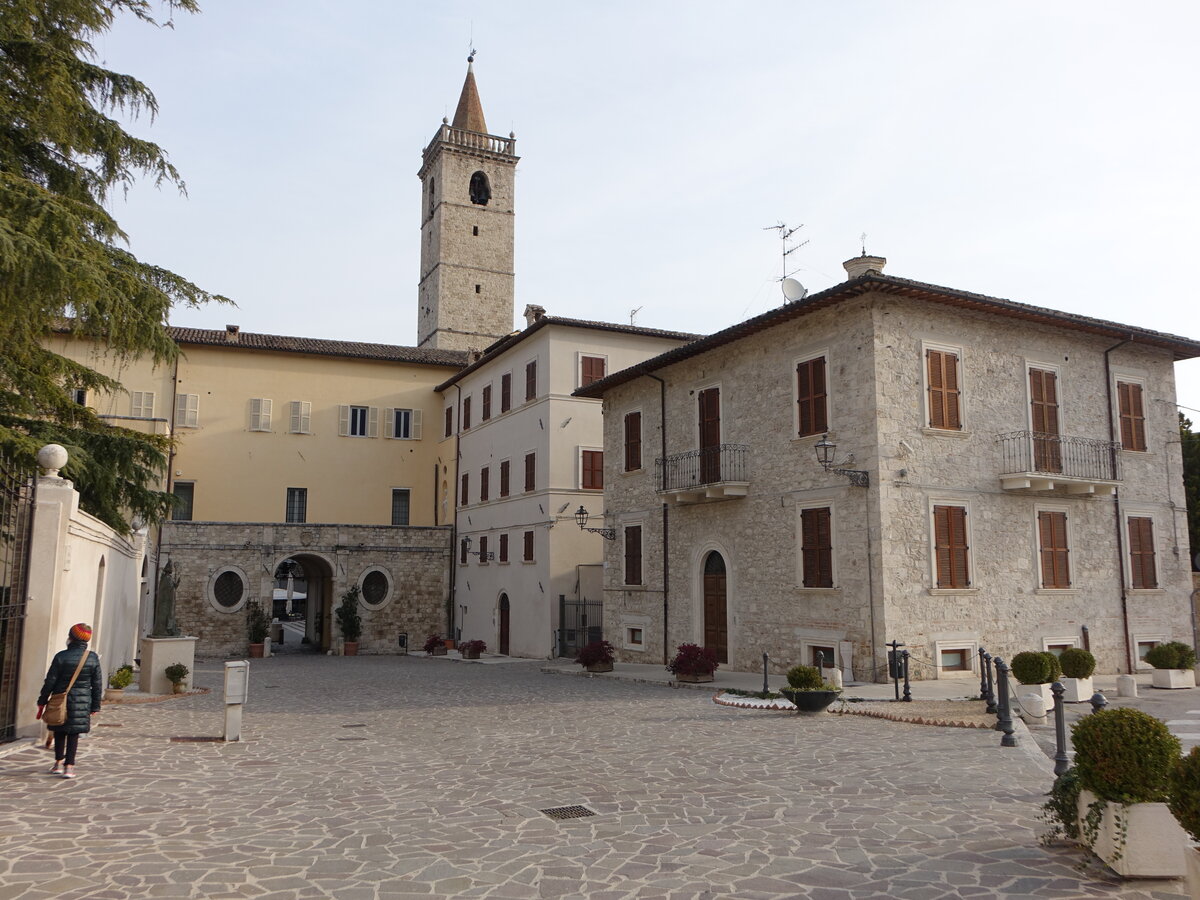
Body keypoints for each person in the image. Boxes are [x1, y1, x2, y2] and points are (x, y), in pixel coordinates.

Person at [36, 623, 103, 779]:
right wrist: (95, 706)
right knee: (73, 733)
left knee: (59, 730)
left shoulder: (61, 656)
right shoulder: (92, 658)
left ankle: (58, 763)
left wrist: (42, 700)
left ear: (71, 637)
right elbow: (97, 684)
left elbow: (50, 681)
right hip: (82, 701)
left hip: (60, 699)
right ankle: (69, 766)